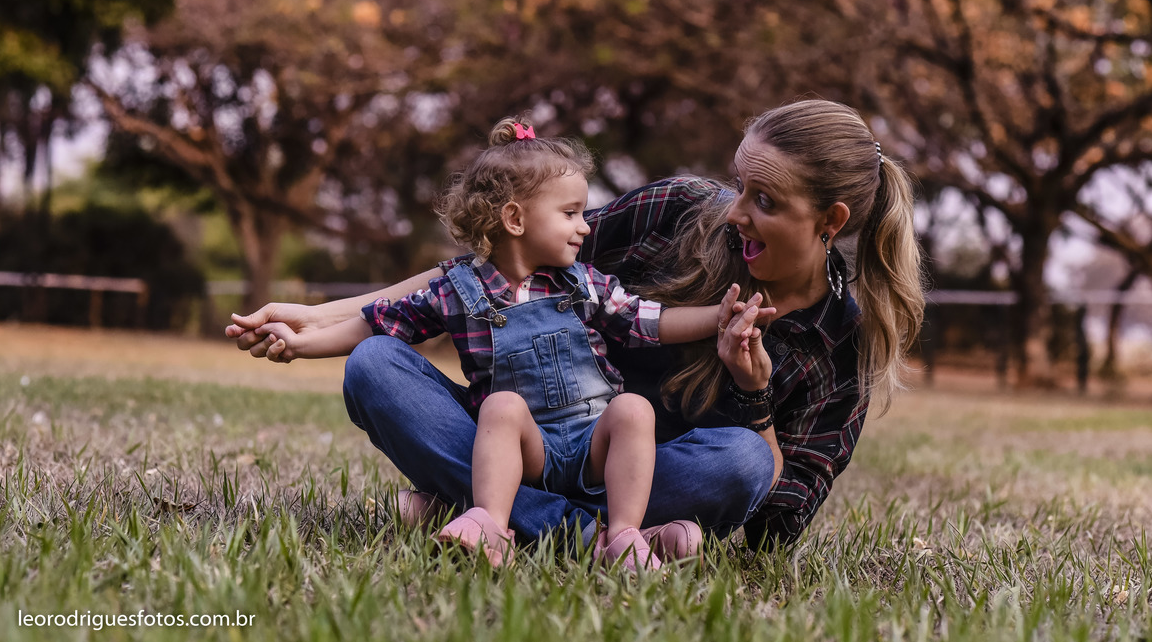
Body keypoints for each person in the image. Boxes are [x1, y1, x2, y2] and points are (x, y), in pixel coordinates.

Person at [229, 99, 925, 548]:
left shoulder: (840, 345)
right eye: (740, 184)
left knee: (738, 459)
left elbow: (774, 521)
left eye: (764, 199)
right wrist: (322, 315)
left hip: (639, 476)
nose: (736, 211)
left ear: (829, 222)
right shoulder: (680, 210)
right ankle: (586, 534)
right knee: (375, 365)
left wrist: (756, 394)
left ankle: (487, 515)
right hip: (519, 438)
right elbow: (494, 268)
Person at [253, 118, 772, 569]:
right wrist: (304, 342)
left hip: (595, 449)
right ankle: (502, 525)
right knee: (483, 400)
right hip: (523, 451)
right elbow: (376, 325)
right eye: (570, 214)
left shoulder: (584, 283)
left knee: (642, 414)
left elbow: (648, 321)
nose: (585, 228)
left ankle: (618, 534)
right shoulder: (456, 290)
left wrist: (717, 319)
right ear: (515, 219)